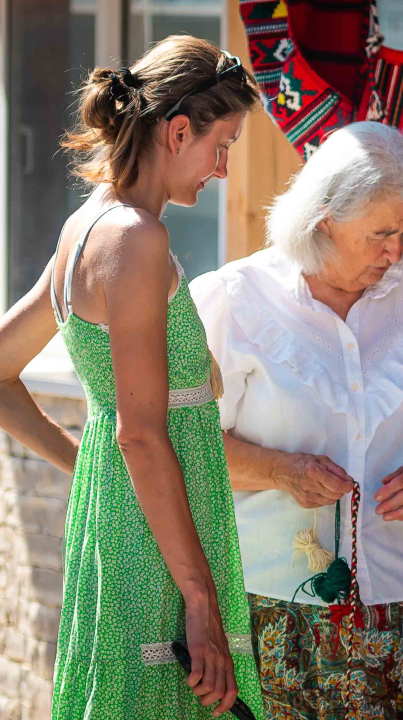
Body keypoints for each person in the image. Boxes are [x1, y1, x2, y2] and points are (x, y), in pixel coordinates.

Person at [189, 121, 403, 719]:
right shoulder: (235, 302)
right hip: (276, 613)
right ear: (324, 218)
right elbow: (189, 444)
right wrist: (283, 471)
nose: (397, 251)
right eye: (382, 232)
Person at [0, 36, 265, 719]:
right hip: (160, 551)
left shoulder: (86, 228)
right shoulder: (135, 241)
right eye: (223, 144)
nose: (225, 169)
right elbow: (141, 436)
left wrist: (85, 467)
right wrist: (201, 601)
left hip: (128, 521)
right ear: (179, 130)